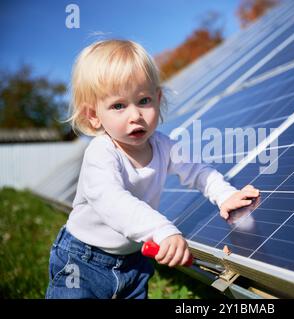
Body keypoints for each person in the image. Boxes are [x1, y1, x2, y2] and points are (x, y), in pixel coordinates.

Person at [45, 39, 260, 299]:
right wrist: (162, 229)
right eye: (118, 106)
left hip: (135, 260)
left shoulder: (163, 146)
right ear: (93, 115)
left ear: (158, 99)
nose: (135, 115)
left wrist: (224, 194)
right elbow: (113, 201)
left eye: (143, 100)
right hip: (83, 259)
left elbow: (198, 171)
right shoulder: (101, 153)